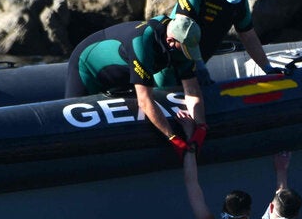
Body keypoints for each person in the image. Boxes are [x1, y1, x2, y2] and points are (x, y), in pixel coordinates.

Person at [64, 14, 207, 156]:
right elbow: (144, 101)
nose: (186, 54)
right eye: (184, 49)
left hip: (123, 72)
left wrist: (201, 127)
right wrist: (172, 137)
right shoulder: (142, 43)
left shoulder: (182, 45)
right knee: (72, 134)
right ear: (170, 41)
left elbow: (192, 89)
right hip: (88, 67)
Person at [156, 0, 281, 87]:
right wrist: (199, 65)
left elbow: (248, 36)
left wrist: (267, 68)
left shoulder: (240, 3)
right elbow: (183, 28)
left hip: (195, 68)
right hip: (169, 60)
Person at [180, 121, 253, 219]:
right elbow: (277, 211)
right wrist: (281, 172)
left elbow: (191, 182)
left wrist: (189, 134)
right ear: (245, 217)